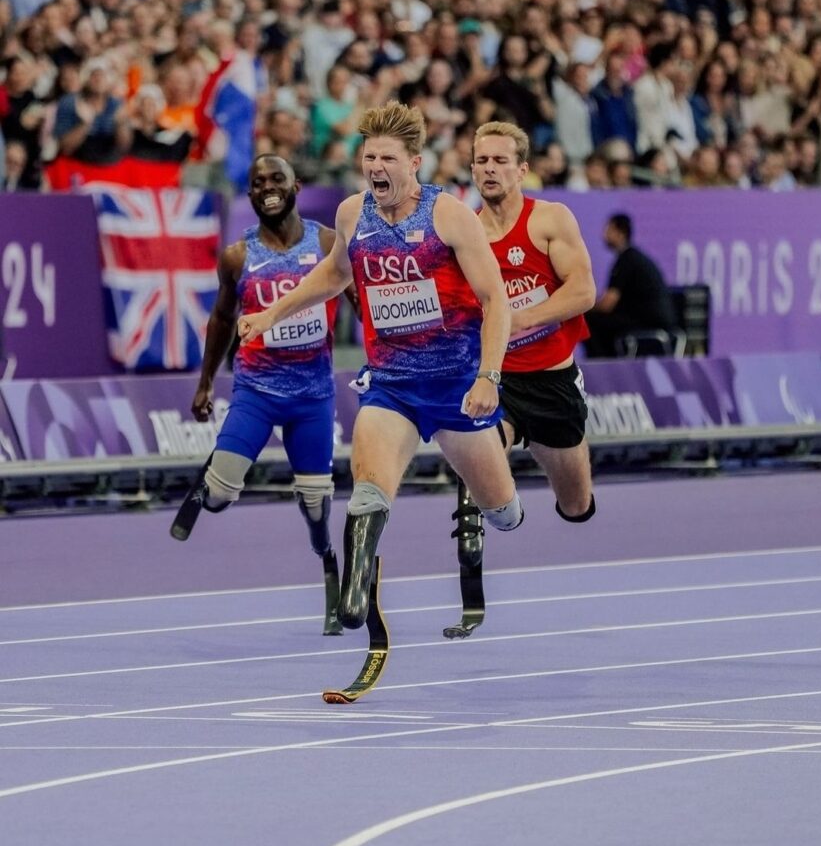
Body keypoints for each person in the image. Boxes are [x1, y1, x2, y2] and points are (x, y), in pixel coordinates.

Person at [239, 101, 522, 632]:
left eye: (387, 158)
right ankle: (356, 586)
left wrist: (488, 377)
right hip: (391, 383)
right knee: (367, 484)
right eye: (369, 157)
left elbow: (496, 300)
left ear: (414, 163)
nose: (375, 168)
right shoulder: (353, 213)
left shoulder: (449, 215)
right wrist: (269, 313)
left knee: (503, 511)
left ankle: (494, 503)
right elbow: (332, 275)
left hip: (457, 386)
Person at [170, 153, 351, 637]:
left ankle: (326, 558)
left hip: (313, 395)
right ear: (248, 195)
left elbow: (361, 300)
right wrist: (206, 382)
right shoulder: (237, 256)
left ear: (296, 185)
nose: (267, 188)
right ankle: (208, 482)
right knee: (220, 498)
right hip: (256, 390)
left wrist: (381, 361)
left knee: (316, 507)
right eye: (257, 183)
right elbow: (223, 320)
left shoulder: (328, 244)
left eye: (276, 179)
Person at [464, 121, 597, 546]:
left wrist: (519, 318)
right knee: (476, 451)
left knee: (576, 505)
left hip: (552, 380)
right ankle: (480, 542)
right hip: (498, 380)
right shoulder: (465, 233)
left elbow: (583, 291)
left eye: (500, 161)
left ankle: (552, 479)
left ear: (521, 170)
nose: (490, 169)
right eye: (482, 161)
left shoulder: (550, 219)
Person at [584, 213, 678, 358]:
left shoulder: (627, 261)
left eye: (609, 229)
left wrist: (582, 305)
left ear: (620, 233)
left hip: (647, 322)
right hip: (649, 319)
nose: (604, 234)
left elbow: (608, 304)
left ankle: (601, 365)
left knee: (589, 320)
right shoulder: (632, 258)